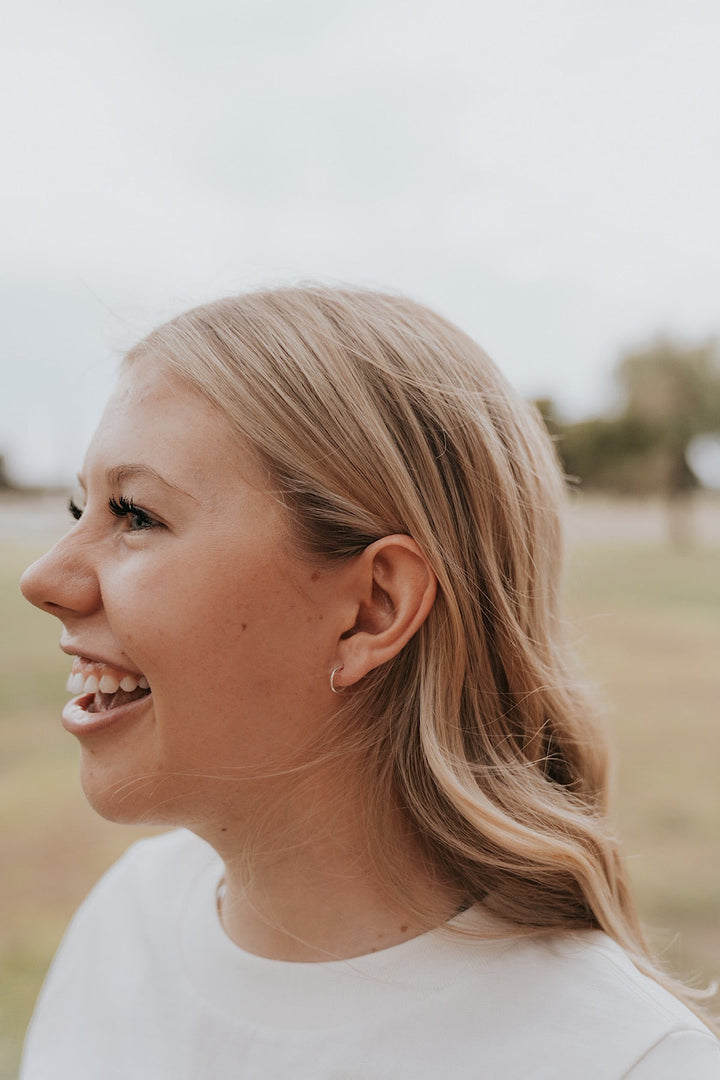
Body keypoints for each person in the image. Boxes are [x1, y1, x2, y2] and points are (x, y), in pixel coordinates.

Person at [19, 286, 719, 1079]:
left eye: (135, 515)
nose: (45, 578)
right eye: (82, 507)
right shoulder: (128, 923)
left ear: (373, 609)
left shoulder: (622, 1061)